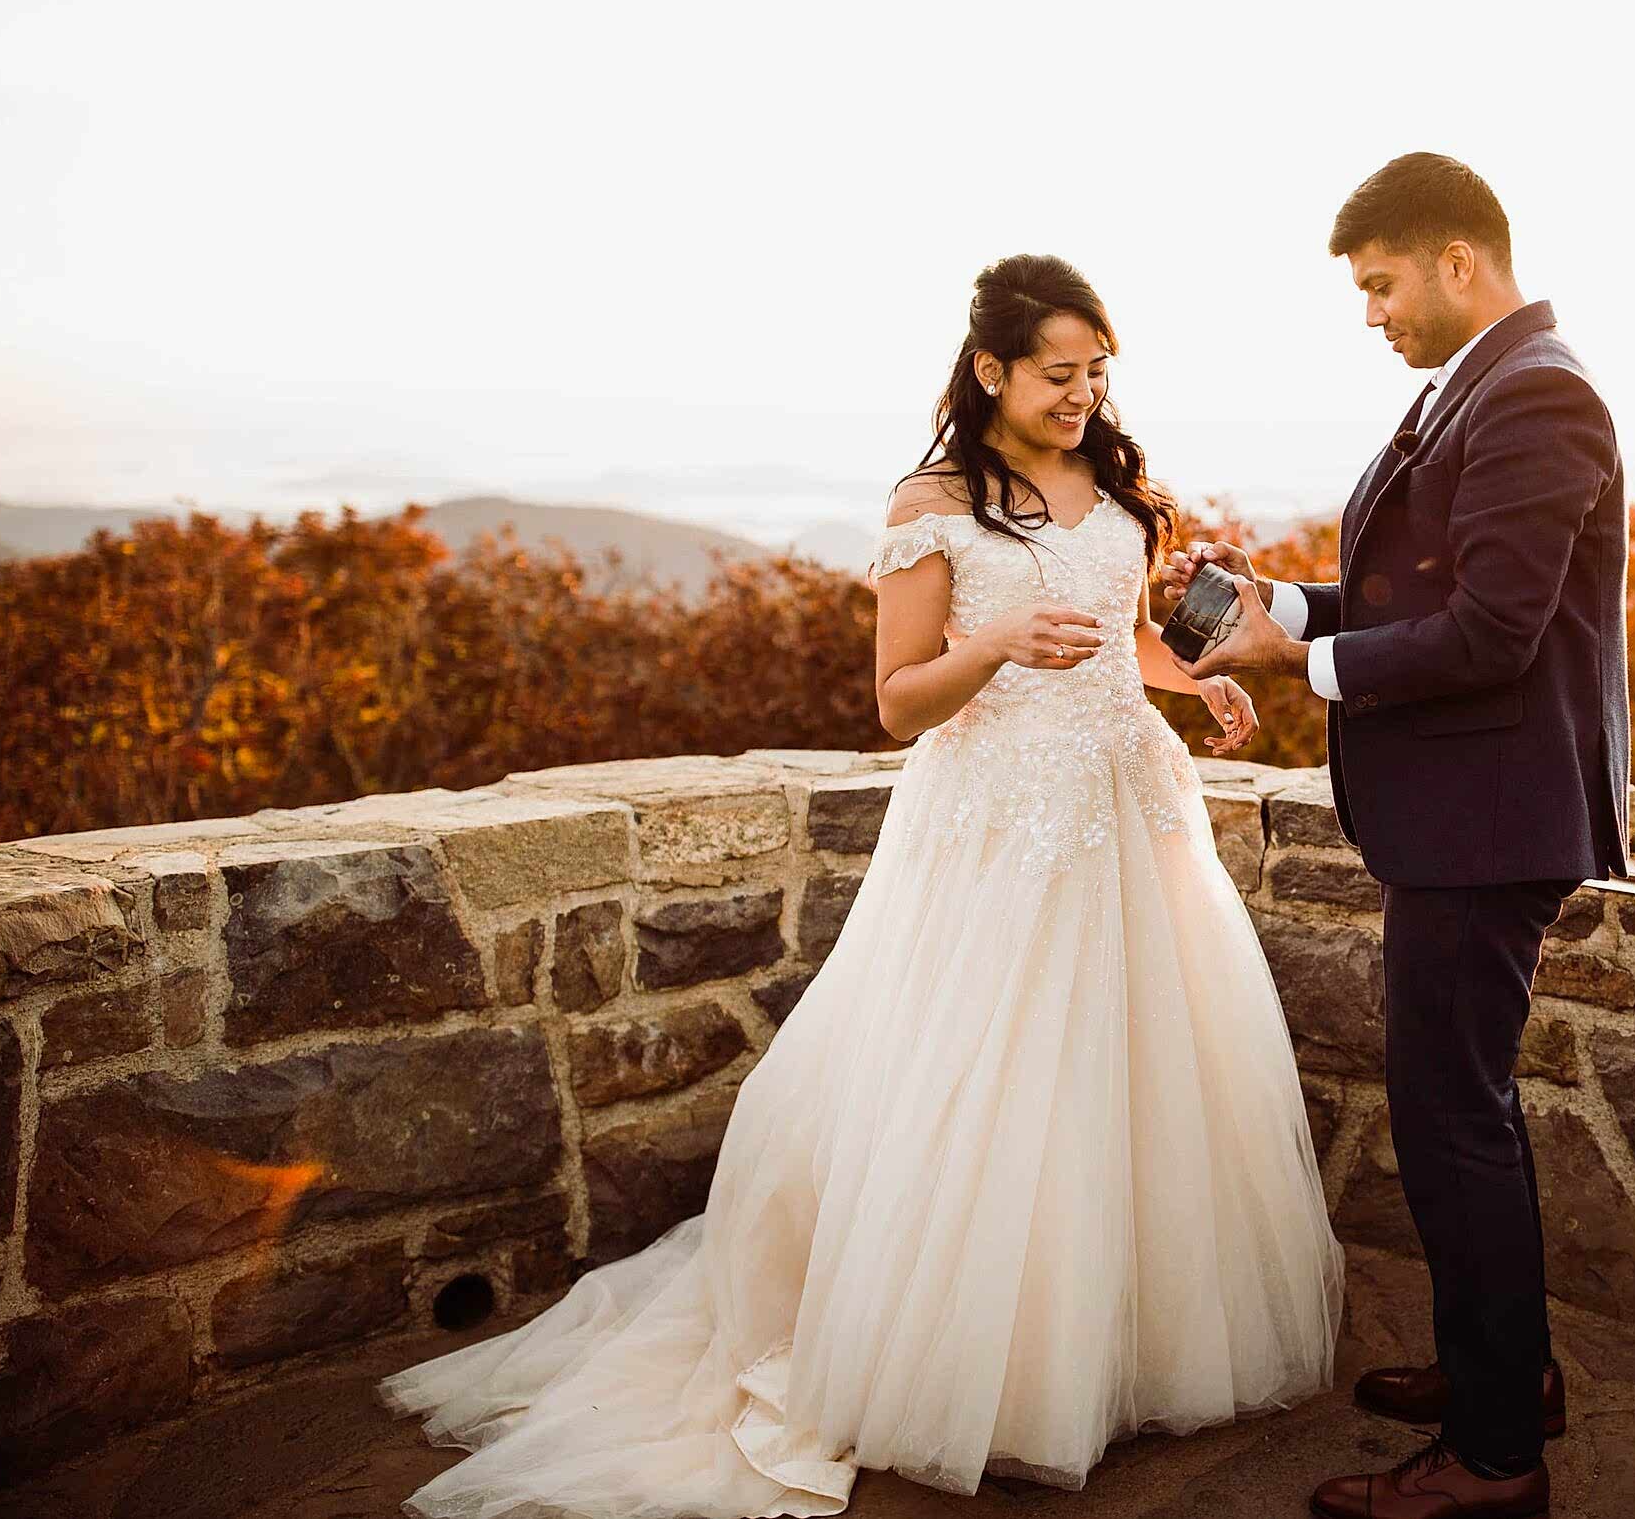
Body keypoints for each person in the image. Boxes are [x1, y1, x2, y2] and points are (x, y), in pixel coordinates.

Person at [376, 253, 1347, 1518]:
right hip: (998, 830)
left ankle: (1115, 1350)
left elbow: (1122, 638)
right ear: (991, 368)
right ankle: (972, 1370)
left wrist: (1192, 677)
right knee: (996, 1087)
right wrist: (991, 640)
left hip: (1129, 813)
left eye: (1097, 371)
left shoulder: (1112, 479)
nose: (1081, 395)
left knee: (1133, 1080)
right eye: (1059, 374)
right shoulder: (930, 500)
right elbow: (897, 703)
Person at [1165, 153, 1628, 1519]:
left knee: (1451, 1120)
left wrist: (1302, 670)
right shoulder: (1475, 388)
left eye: (1380, 285)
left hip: (1491, 820)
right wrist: (1283, 612)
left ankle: (1494, 1462)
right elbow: (1409, 584)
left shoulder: (1536, 393)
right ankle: (1510, 1371)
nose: (1372, 313)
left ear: (1458, 262)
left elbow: (1492, 631)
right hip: (1468, 816)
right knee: (1456, 1111)